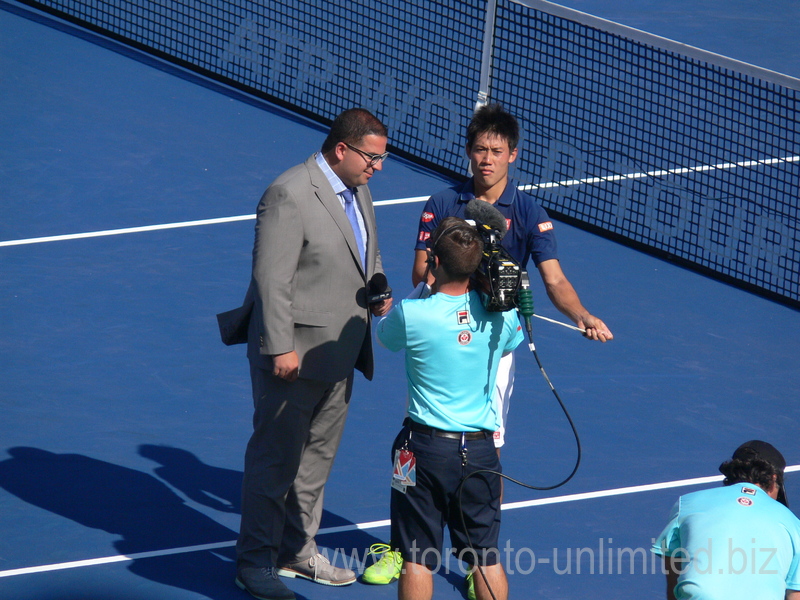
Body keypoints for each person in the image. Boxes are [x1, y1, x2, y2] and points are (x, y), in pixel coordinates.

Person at [363, 103, 613, 592]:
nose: (487, 159)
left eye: (496, 151)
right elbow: (421, 274)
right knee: (427, 426)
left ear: (512, 156)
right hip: (442, 320)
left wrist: (582, 316)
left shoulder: (527, 211)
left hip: (492, 342)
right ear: (469, 152)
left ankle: (477, 554)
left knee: (484, 442)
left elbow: (554, 280)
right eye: (480, 149)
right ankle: (410, 546)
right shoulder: (442, 200)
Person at [217, 108, 392, 600]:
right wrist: (281, 347)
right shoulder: (288, 193)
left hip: (339, 354)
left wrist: (378, 286)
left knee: (315, 461)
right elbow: (272, 280)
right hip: (293, 358)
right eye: (372, 158)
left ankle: (296, 550)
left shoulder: (357, 187)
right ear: (343, 149)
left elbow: (366, 251)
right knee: (274, 463)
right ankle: (254, 565)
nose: (377, 168)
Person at [376, 218, 524, 600]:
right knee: (485, 559)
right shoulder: (502, 316)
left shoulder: (413, 314)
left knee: (417, 558)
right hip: (480, 452)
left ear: (435, 262)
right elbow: (508, 342)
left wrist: (424, 291)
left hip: (422, 452)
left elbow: (386, 337)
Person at [653, 440, 800, 600]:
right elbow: (795, 595)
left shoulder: (687, 503)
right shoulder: (794, 524)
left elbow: (672, 567)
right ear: (773, 479)